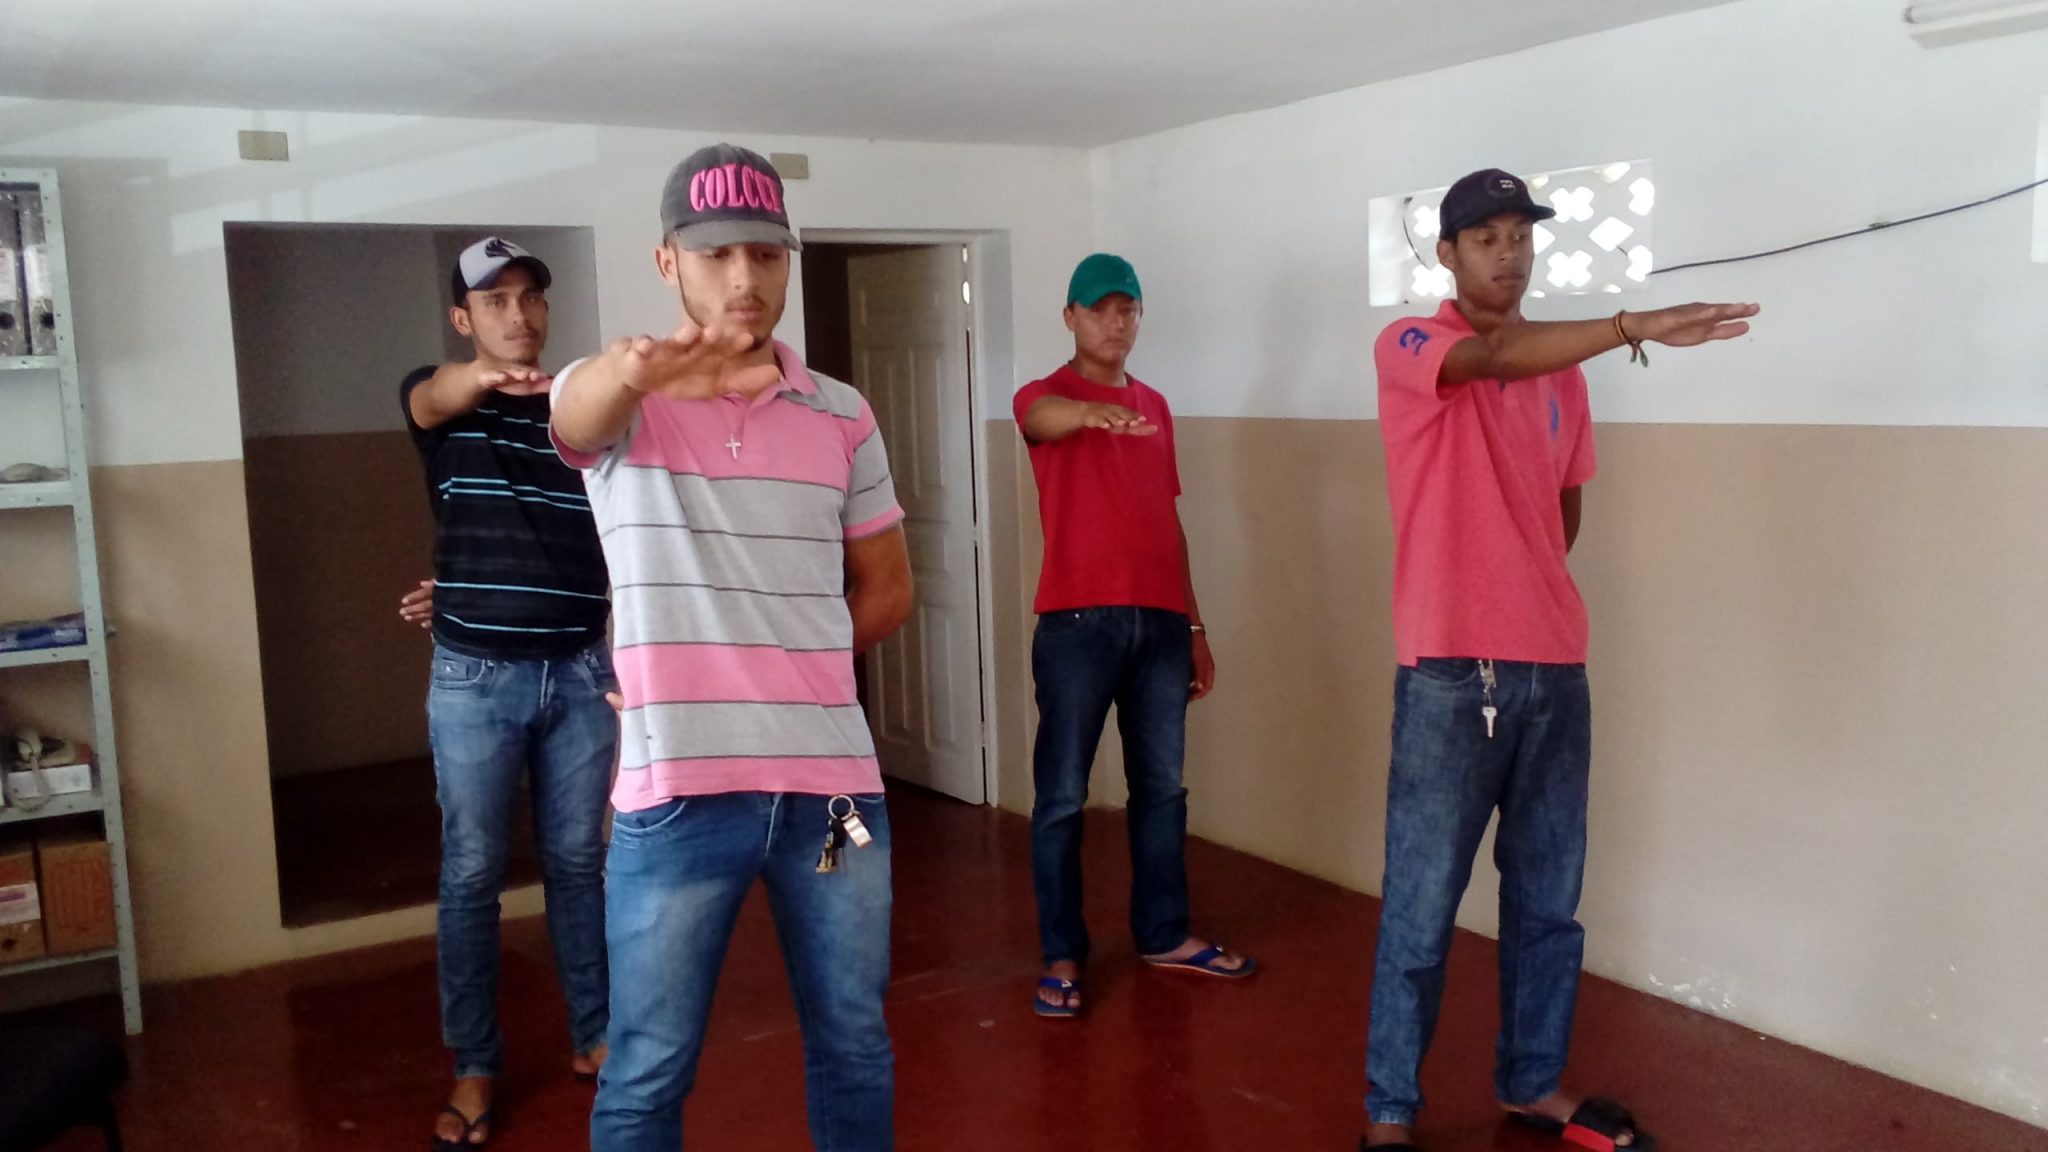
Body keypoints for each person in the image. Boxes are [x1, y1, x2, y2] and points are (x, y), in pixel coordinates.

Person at [1360, 168, 1759, 1152]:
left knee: (1547, 904)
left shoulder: (1564, 376)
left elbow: (1560, 507)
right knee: (1420, 908)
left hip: (1553, 669)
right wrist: (1633, 325)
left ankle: (1532, 1083)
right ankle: (1389, 1112)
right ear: (1446, 254)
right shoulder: (1409, 343)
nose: (1509, 253)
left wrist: (1523, 585)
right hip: (1450, 673)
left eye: (1519, 235)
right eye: (1485, 238)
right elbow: (1491, 358)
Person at [550, 144, 914, 1152]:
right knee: (646, 1072)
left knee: (855, 1043)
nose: (744, 277)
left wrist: (784, 658)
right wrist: (631, 372)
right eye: (715, 255)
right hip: (677, 795)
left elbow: (888, 590)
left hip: (832, 795)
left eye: (765, 253)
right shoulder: (620, 400)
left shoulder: (842, 413)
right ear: (667, 261)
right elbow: (574, 415)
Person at [399, 237, 619, 1150]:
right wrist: (487, 378)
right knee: (471, 874)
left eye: (530, 297)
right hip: (475, 677)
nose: (518, 314)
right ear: (464, 318)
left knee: (577, 864)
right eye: (495, 301)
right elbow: (434, 394)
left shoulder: (582, 408)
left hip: (582, 672)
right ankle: (475, 1064)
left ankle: (598, 1035)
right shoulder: (444, 405)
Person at [1013, 253, 1256, 1021]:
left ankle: (1164, 933)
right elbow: (1039, 420)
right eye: (1100, 309)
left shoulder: (1157, 406)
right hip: (1076, 626)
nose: (1115, 323)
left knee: (1163, 789)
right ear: (1071, 317)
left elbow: (1166, 521)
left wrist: (1195, 624)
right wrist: (1091, 415)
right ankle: (1062, 954)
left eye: (1128, 309)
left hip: (1160, 626)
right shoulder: (1043, 396)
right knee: (1061, 796)